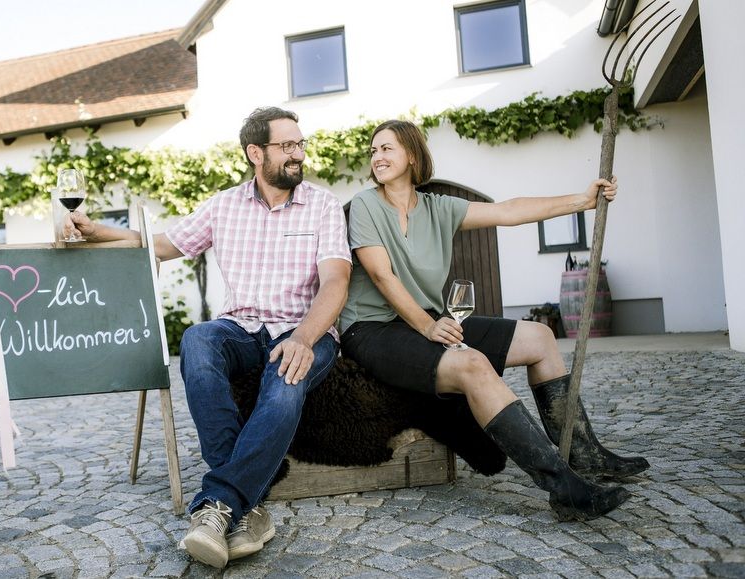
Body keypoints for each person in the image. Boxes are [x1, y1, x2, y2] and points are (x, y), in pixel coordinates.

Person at [67, 107, 351, 567]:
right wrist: (94, 230)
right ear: (255, 153)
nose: (298, 154)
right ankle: (249, 504)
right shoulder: (224, 206)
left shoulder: (323, 204)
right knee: (198, 338)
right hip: (242, 329)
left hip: (306, 329)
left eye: (300, 144)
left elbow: (336, 282)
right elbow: (162, 244)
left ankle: (218, 505)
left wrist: (302, 338)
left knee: (283, 386)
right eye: (287, 146)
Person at [339, 120, 649, 522]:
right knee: (472, 364)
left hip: (426, 321)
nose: (377, 157)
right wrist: (428, 326)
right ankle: (564, 489)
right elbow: (382, 276)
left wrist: (582, 201)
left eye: (387, 149)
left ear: (411, 156)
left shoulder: (438, 208)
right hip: (373, 330)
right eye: (374, 151)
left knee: (539, 337)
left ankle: (584, 454)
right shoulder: (366, 205)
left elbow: (509, 211)